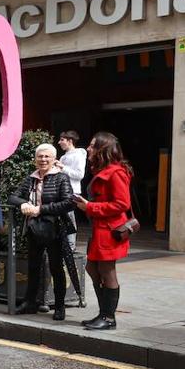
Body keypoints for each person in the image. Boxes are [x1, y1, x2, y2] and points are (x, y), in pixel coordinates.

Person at [9, 144, 75, 321]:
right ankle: (30, 303)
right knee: (33, 267)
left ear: (54, 159)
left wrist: (41, 209)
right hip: (33, 229)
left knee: (56, 268)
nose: (43, 160)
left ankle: (59, 307)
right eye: (40, 157)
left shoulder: (61, 178)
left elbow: (69, 202)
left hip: (54, 229)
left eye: (47, 157)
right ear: (35, 159)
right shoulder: (30, 178)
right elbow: (13, 196)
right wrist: (22, 203)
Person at [74, 132, 133, 331]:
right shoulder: (104, 170)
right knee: (92, 268)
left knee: (107, 271)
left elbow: (122, 204)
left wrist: (90, 207)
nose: (88, 148)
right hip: (100, 229)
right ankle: (103, 313)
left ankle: (108, 318)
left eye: (92, 145)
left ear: (103, 149)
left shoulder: (116, 172)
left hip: (110, 230)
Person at [57, 131, 86, 249]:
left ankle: (71, 245)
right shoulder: (63, 156)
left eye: (62, 140)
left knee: (69, 217)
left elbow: (79, 175)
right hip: (61, 190)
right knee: (63, 217)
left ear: (70, 141)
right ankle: (65, 244)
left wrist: (62, 167)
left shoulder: (78, 155)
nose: (59, 142)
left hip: (72, 191)